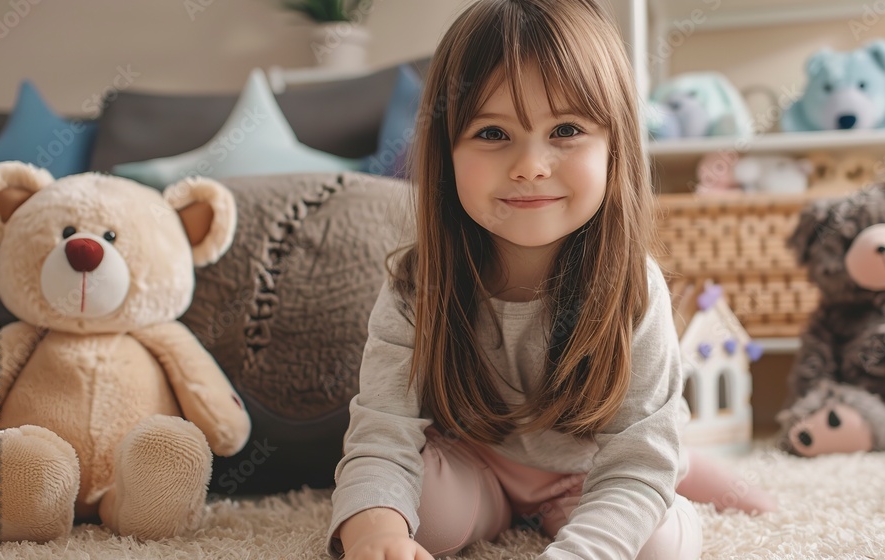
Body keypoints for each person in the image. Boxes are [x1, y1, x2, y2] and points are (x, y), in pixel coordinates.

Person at [327, 1, 772, 558]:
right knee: (419, 523)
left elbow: (634, 468)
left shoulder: (634, 289)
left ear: (616, 147)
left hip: (591, 468)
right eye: (492, 132)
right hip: (478, 460)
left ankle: (682, 455)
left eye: (565, 129)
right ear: (446, 149)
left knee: (659, 546)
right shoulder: (418, 285)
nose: (531, 165)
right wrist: (377, 530)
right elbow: (382, 433)